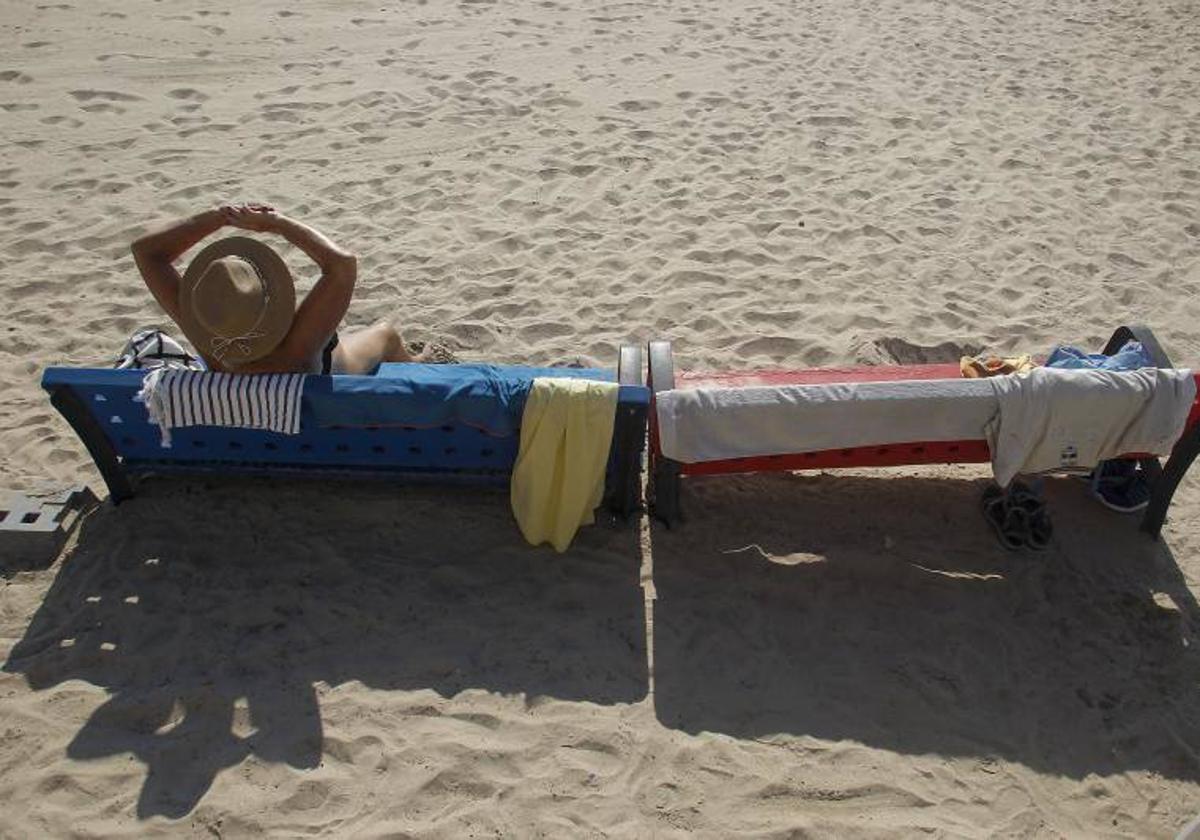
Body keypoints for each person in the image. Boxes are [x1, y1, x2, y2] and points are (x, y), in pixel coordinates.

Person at [131, 203, 423, 374]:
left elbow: (146, 252)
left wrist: (218, 217)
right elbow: (343, 264)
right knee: (386, 333)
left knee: (344, 335)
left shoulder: (209, 334)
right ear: (269, 300)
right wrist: (277, 223)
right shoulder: (298, 347)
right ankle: (420, 371)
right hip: (329, 380)